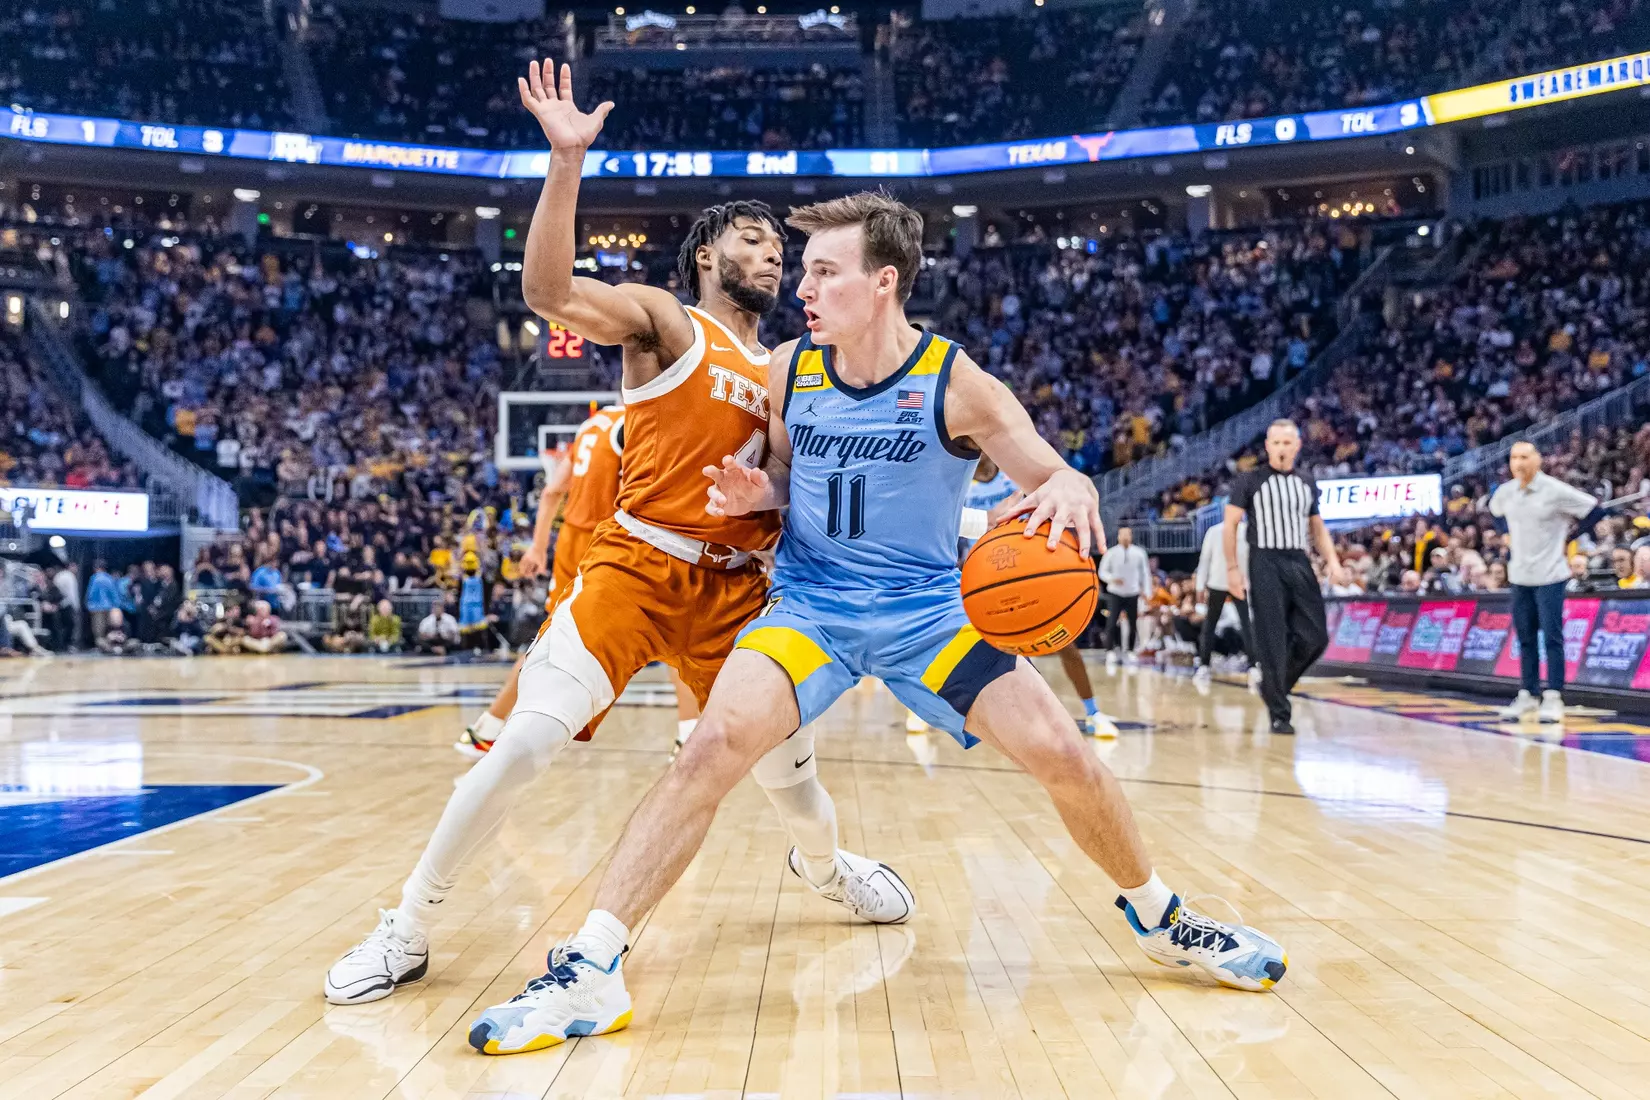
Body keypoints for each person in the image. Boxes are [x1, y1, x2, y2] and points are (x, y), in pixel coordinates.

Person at [462, 188, 1288, 1056]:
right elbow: (785, 473)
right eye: (805, 270)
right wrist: (763, 491)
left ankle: (1163, 919)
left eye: (825, 271)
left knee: (1063, 754)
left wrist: (1074, 484)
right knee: (708, 748)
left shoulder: (955, 383)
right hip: (810, 607)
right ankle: (591, 962)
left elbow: (1048, 472)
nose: (804, 286)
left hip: (927, 611)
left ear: (882, 283)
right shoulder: (790, 369)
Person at [324, 62, 911, 1013]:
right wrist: (565, 164)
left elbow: (793, 494)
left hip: (736, 593)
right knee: (522, 746)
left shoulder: (787, 370)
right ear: (707, 254)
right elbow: (549, 291)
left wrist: (777, 498)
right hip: (637, 565)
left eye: (780, 250)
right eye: (754, 241)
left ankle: (829, 866)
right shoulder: (665, 321)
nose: (772, 257)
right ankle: (407, 925)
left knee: (790, 779)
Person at [1223, 420, 1347, 735]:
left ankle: (1275, 686)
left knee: (1316, 636)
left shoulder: (1306, 481)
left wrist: (1332, 561)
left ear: (1297, 446)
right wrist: (1232, 569)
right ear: (1267, 446)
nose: (1281, 448)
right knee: (1272, 637)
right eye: (1275, 443)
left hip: (1298, 558)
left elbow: (1317, 527)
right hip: (1264, 559)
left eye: (1286, 443)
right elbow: (1231, 525)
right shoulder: (1250, 480)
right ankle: (1280, 712)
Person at [1489, 442, 1598, 723]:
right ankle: (1528, 693)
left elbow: (1595, 511)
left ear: (1538, 460)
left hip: (1550, 574)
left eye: (1525, 457)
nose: (1519, 463)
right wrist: (1505, 535)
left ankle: (1554, 696)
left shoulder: (1554, 490)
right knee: (1525, 638)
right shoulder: (1507, 492)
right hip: (1519, 574)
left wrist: (1569, 537)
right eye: (1514, 457)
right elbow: (1495, 512)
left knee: (1552, 637)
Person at [1193, 513, 1255, 688]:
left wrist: (1251, 584)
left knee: (1247, 624)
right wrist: (1199, 587)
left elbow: (1252, 560)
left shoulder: (1248, 531)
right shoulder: (1214, 532)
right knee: (1209, 625)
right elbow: (1205, 560)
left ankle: (1253, 664)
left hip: (1240, 584)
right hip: (1217, 583)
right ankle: (1204, 664)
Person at [1097, 525, 1150, 667]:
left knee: (1133, 623)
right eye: (1123, 534)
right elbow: (1102, 572)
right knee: (1111, 622)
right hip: (1115, 593)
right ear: (1119, 536)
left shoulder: (1139, 553)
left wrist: (1146, 591)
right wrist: (1112, 578)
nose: (1125, 537)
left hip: (1133, 593)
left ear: (1131, 536)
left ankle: (1131, 650)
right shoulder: (1111, 553)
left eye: (1128, 534)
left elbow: (1145, 574)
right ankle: (1110, 651)